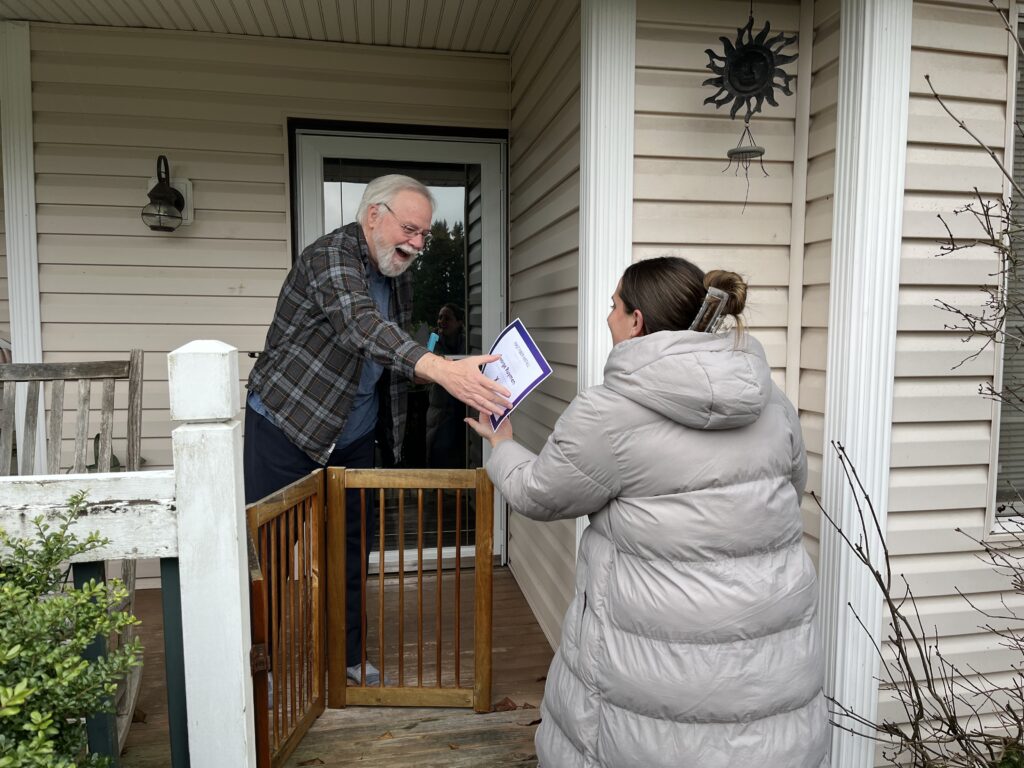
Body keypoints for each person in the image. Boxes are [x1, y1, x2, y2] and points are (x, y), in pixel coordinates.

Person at [467, 257, 829, 767]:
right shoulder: (772, 402)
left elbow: (539, 494)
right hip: (767, 664)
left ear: (637, 321)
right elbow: (791, 489)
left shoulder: (609, 412)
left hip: (655, 668)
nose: (607, 316)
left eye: (614, 305)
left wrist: (501, 443)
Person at [245, 174, 510, 687]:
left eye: (424, 235)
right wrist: (439, 367)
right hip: (286, 424)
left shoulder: (398, 273)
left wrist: (448, 373)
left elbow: (388, 346)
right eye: (409, 229)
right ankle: (267, 667)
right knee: (273, 552)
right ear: (373, 216)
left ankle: (344, 656)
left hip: (354, 433)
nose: (416, 244)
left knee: (349, 549)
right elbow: (359, 325)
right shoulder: (329, 258)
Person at [426, 303, 467, 468]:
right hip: (440, 406)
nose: (442, 321)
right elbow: (426, 366)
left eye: (447, 318)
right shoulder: (433, 340)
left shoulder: (466, 342)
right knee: (437, 447)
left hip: (461, 405)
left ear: (459, 323)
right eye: (440, 317)